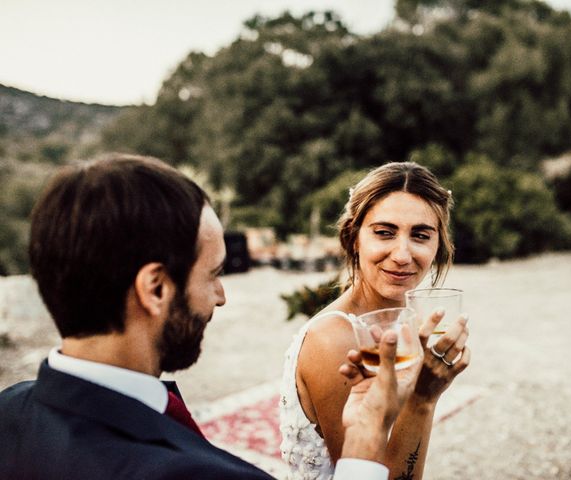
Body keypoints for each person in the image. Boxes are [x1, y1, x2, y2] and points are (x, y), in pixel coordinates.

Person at [0, 154, 420, 480]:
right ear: (157, 289)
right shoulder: (193, 475)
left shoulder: (10, 410)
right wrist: (365, 445)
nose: (220, 297)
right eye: (214, 274)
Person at [280, 161, 471, 479]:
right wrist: (423, 398)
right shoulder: (334, 339)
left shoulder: (406, 323)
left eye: (421, 235)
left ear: (438, 245)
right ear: (354, 237)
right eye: (384, 233)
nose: (402, 254)